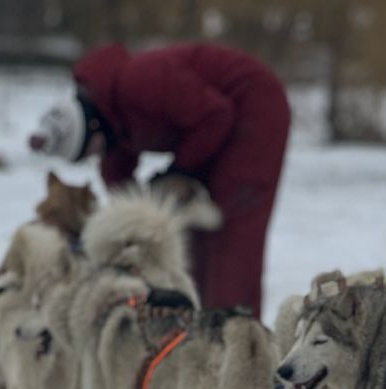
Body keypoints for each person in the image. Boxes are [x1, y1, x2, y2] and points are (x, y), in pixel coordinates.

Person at [29, 42, 290, 318]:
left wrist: (178, 173)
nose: (98, 154)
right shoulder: (111, 125)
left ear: (94, 123)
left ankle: (238, 335)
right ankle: (197, 329)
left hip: (253, 105)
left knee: (230, 235)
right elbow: (121, 185)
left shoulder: (141, 81)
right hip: (210, 127)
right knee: (190, 240)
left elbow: (216, 115)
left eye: (92, 147)